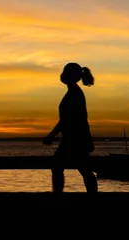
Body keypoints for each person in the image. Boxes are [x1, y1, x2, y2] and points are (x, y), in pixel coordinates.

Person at [42, 62, 98, 193]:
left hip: (75, 139)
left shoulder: (74, 94)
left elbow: (67, 120)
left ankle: (58, 195)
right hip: (76, 138)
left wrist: (51, 136)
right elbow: (82, 119)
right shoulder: (74, 92)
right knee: (82, 169)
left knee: (59, 167)